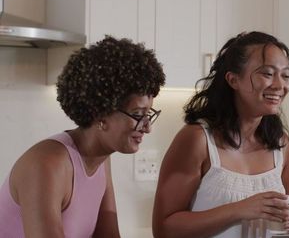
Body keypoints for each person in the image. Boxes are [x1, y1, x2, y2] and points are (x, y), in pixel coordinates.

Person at [0, 36, 166, 237]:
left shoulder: (102, 159)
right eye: (138, 114)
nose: (147, 127)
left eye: (148, 114)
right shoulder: (47, 165)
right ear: (100, 114)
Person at [152, 31, 289, 238]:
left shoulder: (282, 145)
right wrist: (240, 209)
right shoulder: (197, 140)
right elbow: (164, 229)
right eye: (267, 73)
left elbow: (282, 223)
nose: (280, 85)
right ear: (233, 80)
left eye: (285, 75)